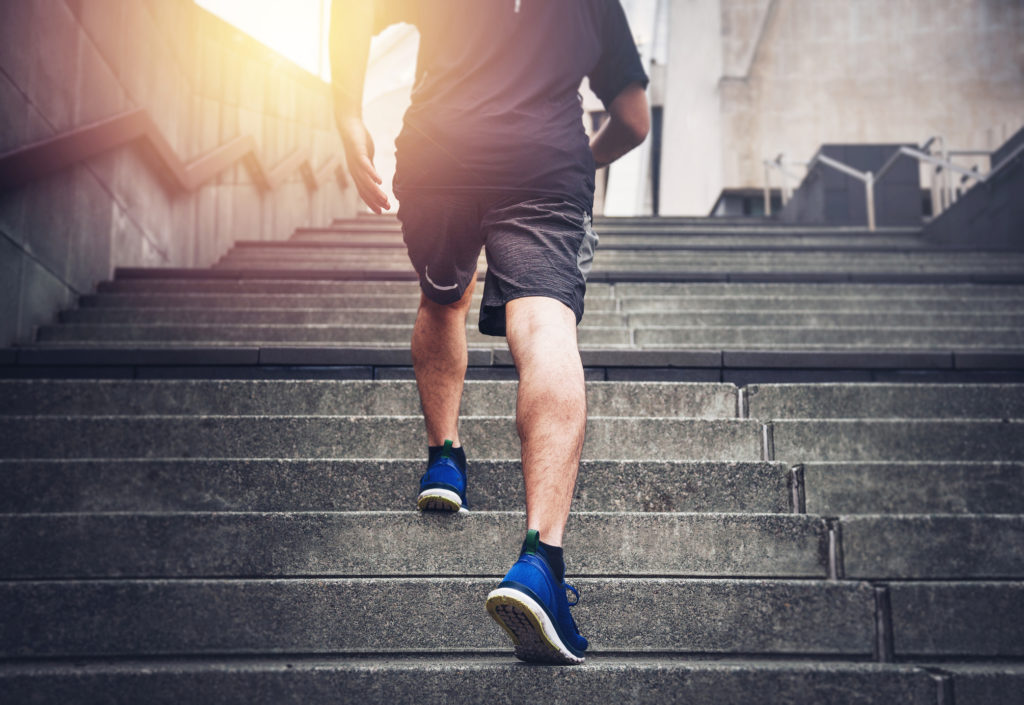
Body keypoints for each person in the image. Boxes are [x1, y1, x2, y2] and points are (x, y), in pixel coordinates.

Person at [330, 0, 649, 664]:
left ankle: (444, 455)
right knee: (543, 324)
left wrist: (346, 114)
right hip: (544, 166)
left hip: (439, 156)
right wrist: (573, 158)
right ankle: (539, 560)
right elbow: (633, 119)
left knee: (444, 297)